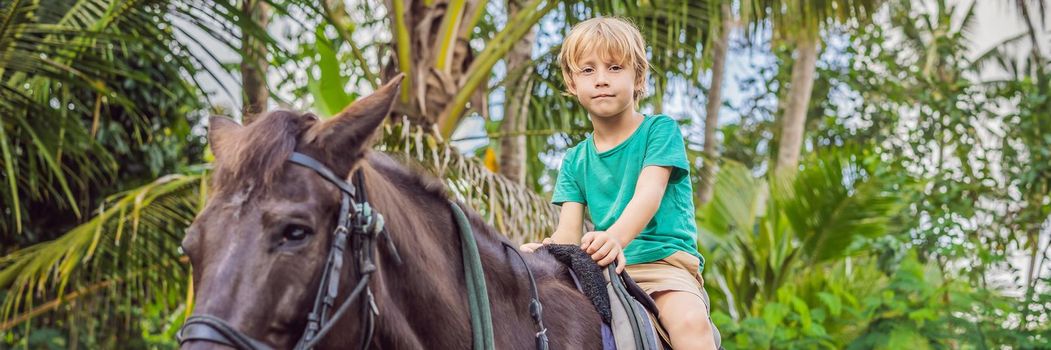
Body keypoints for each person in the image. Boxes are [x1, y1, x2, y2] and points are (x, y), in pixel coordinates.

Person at [519, 17, 720, 349]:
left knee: (690, 322)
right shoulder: (574, 160)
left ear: (637, 77)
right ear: (572, 82)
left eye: (614, 68)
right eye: (588, 70)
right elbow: (569, 234)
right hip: (603, 271)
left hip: (661, 265)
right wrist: (540, 252)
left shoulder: (659, 131)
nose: (601, 80)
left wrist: (614, 238)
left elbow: (649, 195)